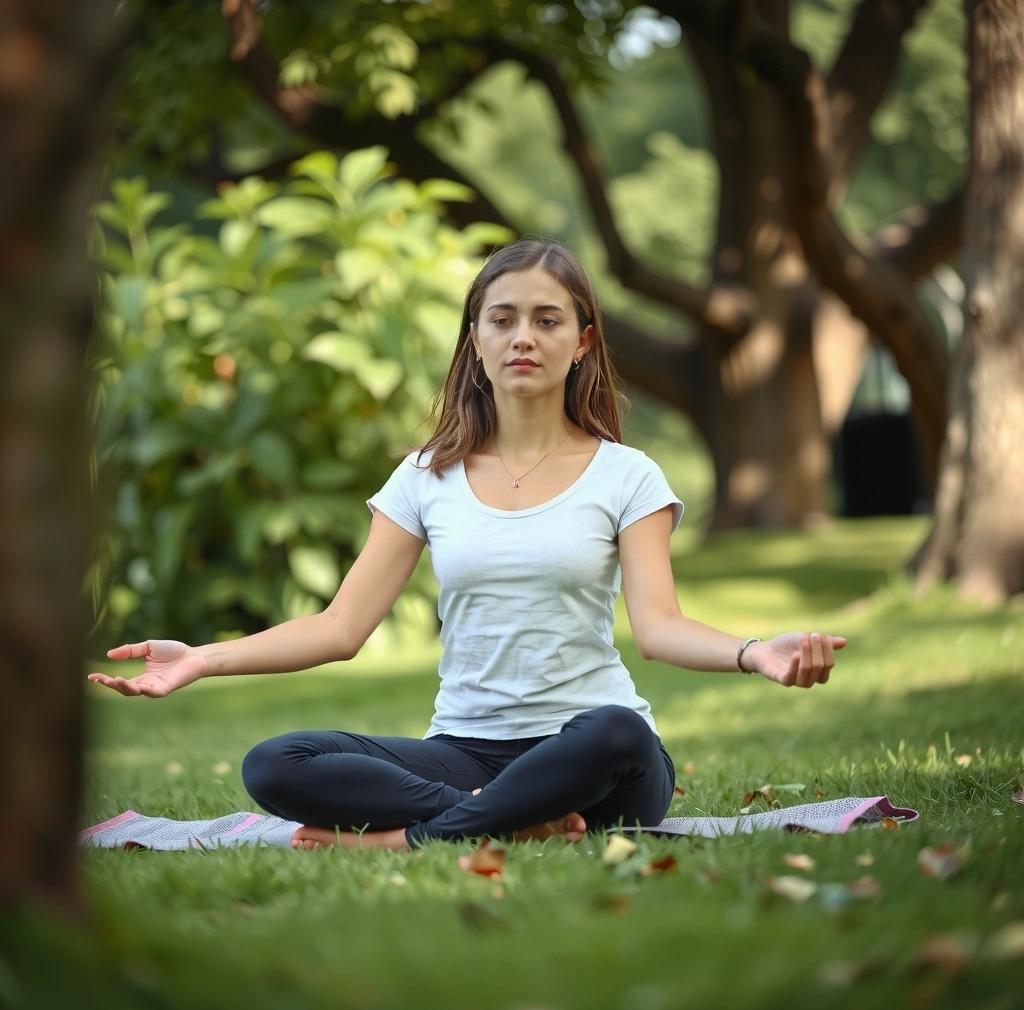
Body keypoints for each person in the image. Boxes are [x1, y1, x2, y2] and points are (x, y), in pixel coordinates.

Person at [89, 239, 845, 852]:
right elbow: (339, 628)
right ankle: (508, 818)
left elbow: (659, 628)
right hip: (464, 750)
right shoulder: (426, 477)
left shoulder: (627, 475)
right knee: (276, 762)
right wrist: (202, 659)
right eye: (503, 318)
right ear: (475, 338)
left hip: (595, 755)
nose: (523, 337)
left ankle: (406, 840)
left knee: (616, 731)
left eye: (548, 321)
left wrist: (755, 652)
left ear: (582, 343)